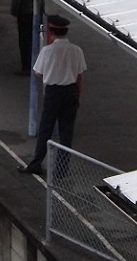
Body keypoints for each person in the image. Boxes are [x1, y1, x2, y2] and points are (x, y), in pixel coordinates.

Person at [18, 14, 87, 177]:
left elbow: (38, 72)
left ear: (51, 32)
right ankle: (62, 170)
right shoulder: (77, 50)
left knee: (45, 129)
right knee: (66, 132)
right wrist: (78, 96)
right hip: (71, 92)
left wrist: (51, 77)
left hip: (53, 92)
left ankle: (36, 163)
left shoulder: (47, 51)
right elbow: (80, 76)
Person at [10, 0, 35, 73]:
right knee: (35, 38)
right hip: (36, 13)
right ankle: (36, 63)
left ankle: (26, 66)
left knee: (24, 40)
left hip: (24, 14)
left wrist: (14, 13)